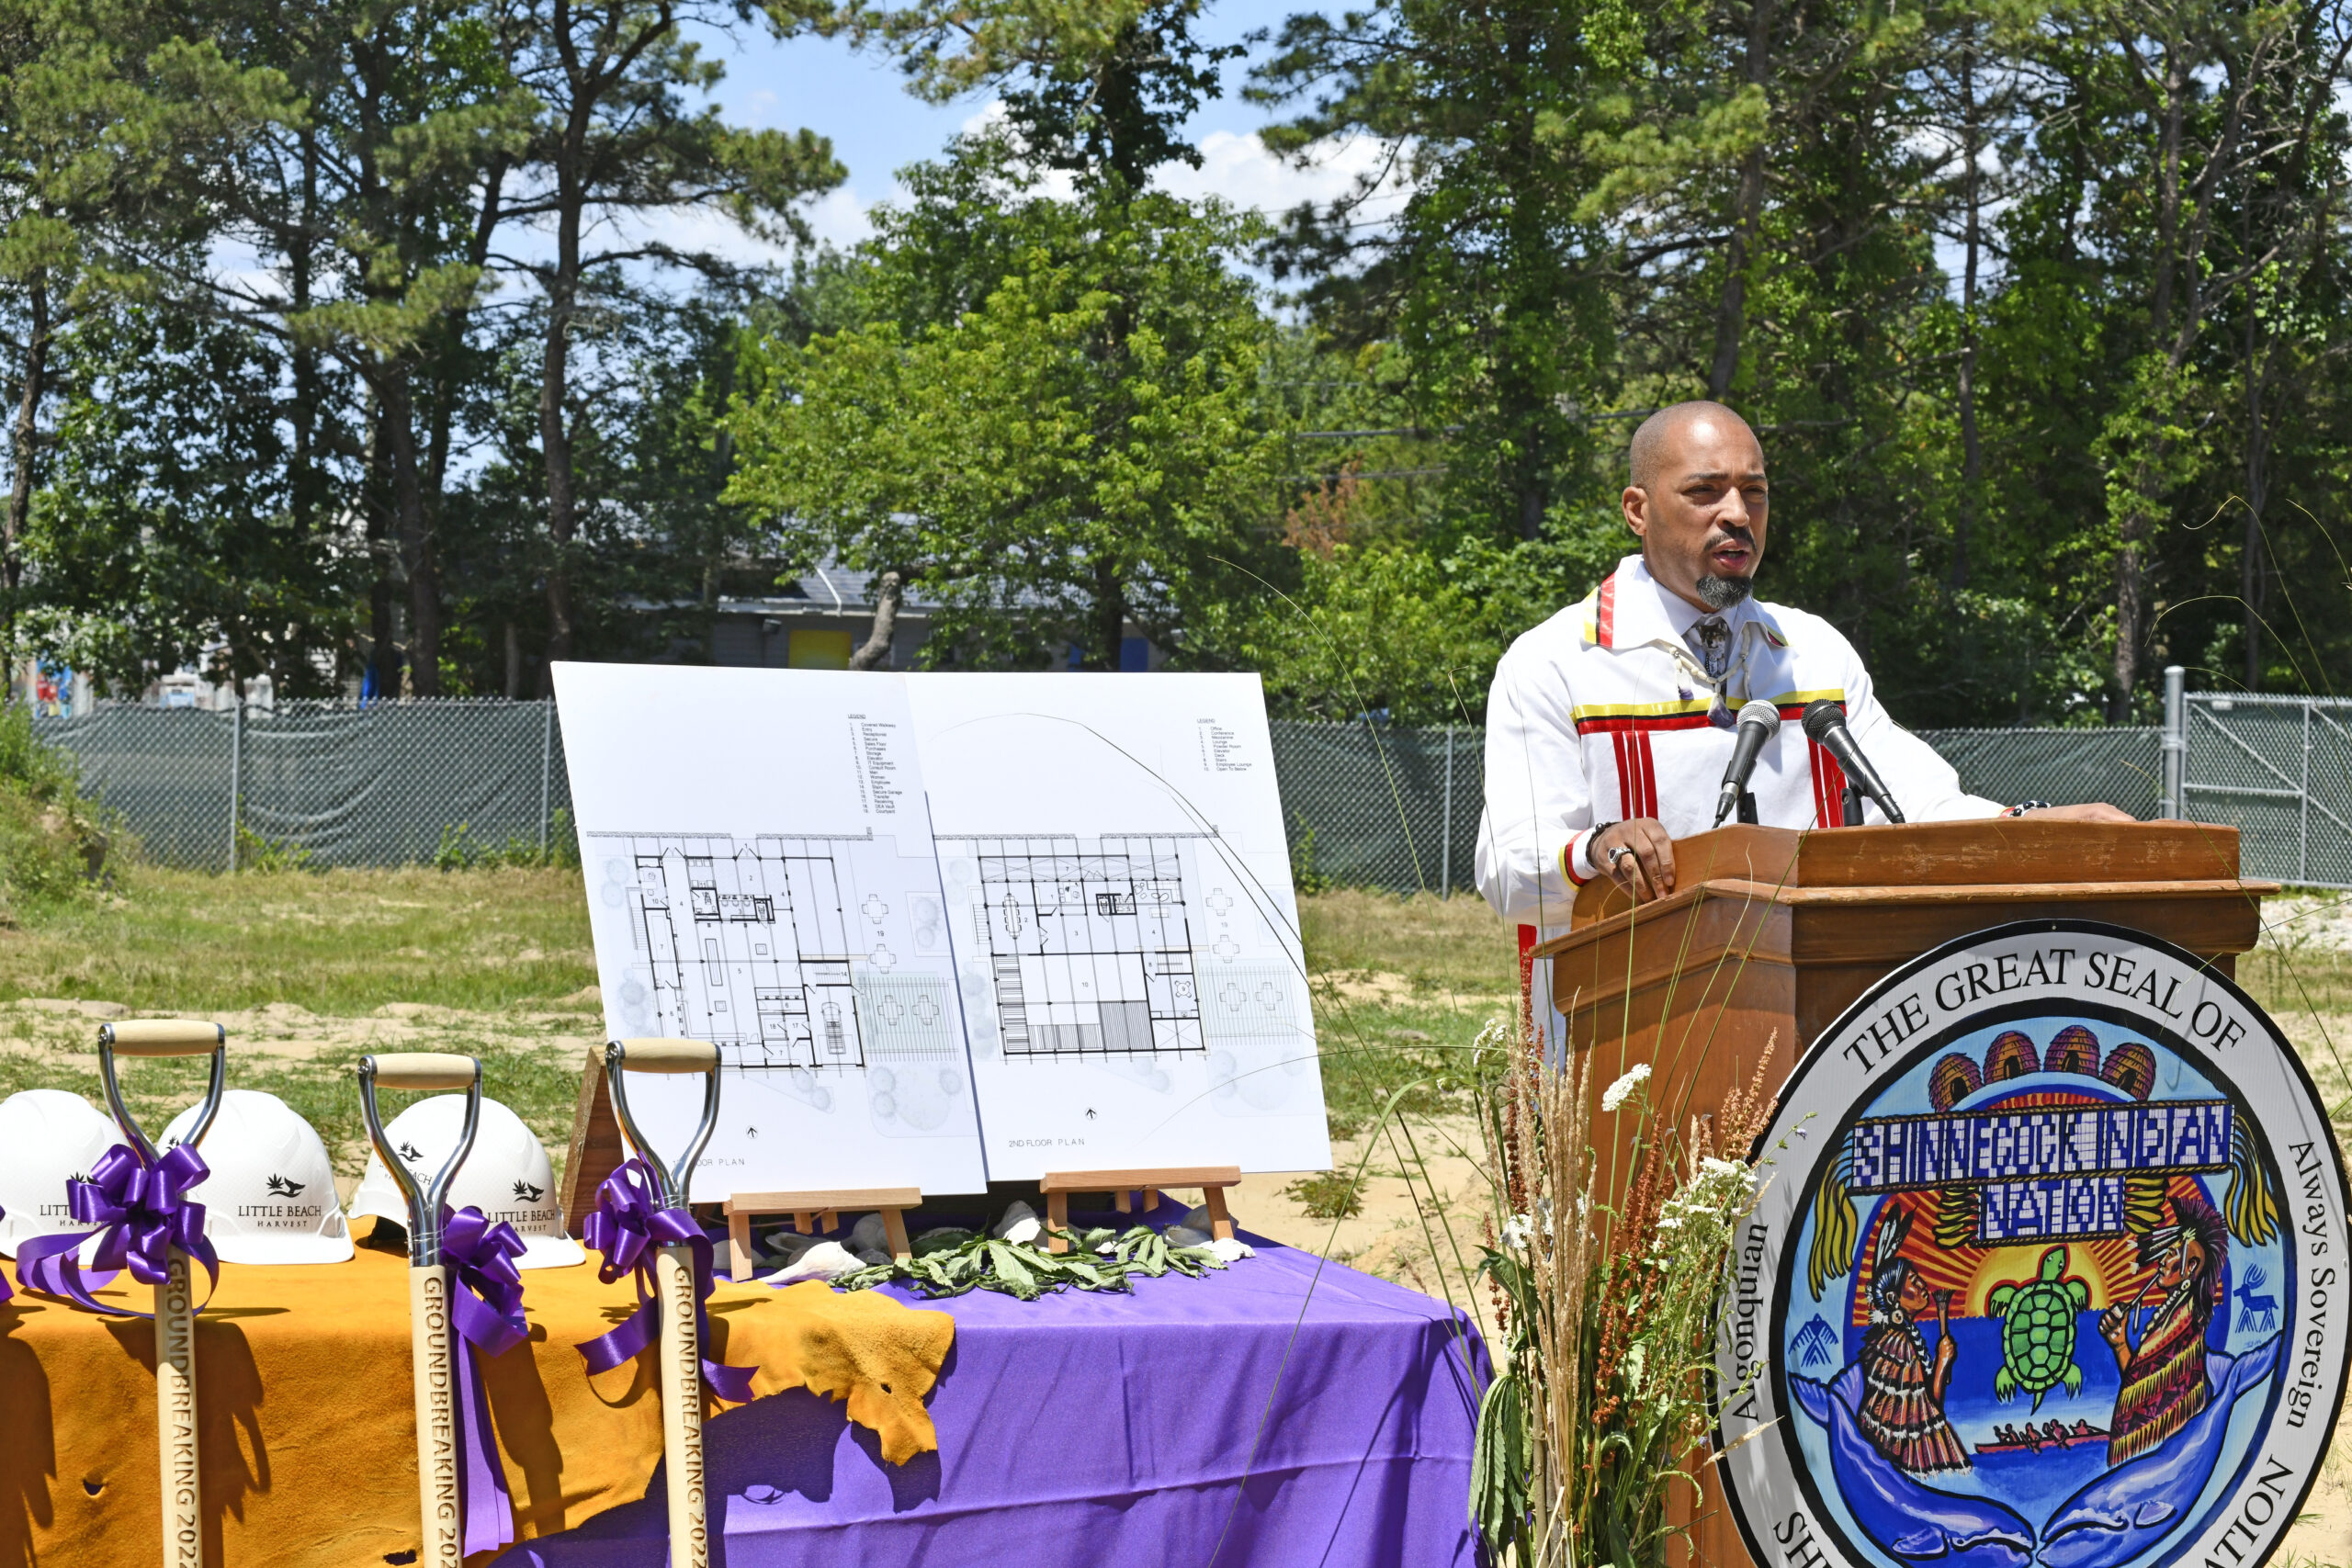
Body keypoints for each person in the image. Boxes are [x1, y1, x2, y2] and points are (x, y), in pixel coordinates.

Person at [1476, 401, 2132, 1000]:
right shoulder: (1557, 662)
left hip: (1816, 1025)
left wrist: (2034, 825)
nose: (1736, 513)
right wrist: (1595, 847)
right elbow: (1506, 867)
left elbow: (1917, 806)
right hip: (1619, 1037)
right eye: (1704, 491)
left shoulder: (1814, 652)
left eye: (1754, 492)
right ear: (1638, 509)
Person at [2100, 1195, 2225, 1465]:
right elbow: (2143, 1389)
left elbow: (2157, 1403)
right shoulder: (2172, 1318)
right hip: (2148, 1457)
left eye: (2171, 1254)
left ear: (2191, 1267)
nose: (2161, 1261)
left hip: (2163, 1462)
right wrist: (2121, 1345)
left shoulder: (2184, 1323)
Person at [1856, 1209, 1970, 1474]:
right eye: (1914, 1281)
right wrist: (1942, 1363)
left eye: (1919, 1280)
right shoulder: (1899, 1347)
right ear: (1895, 1299)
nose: (1922, 1286)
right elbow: (1928, 1409)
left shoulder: (1897, 1339)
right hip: (1906, 1455)